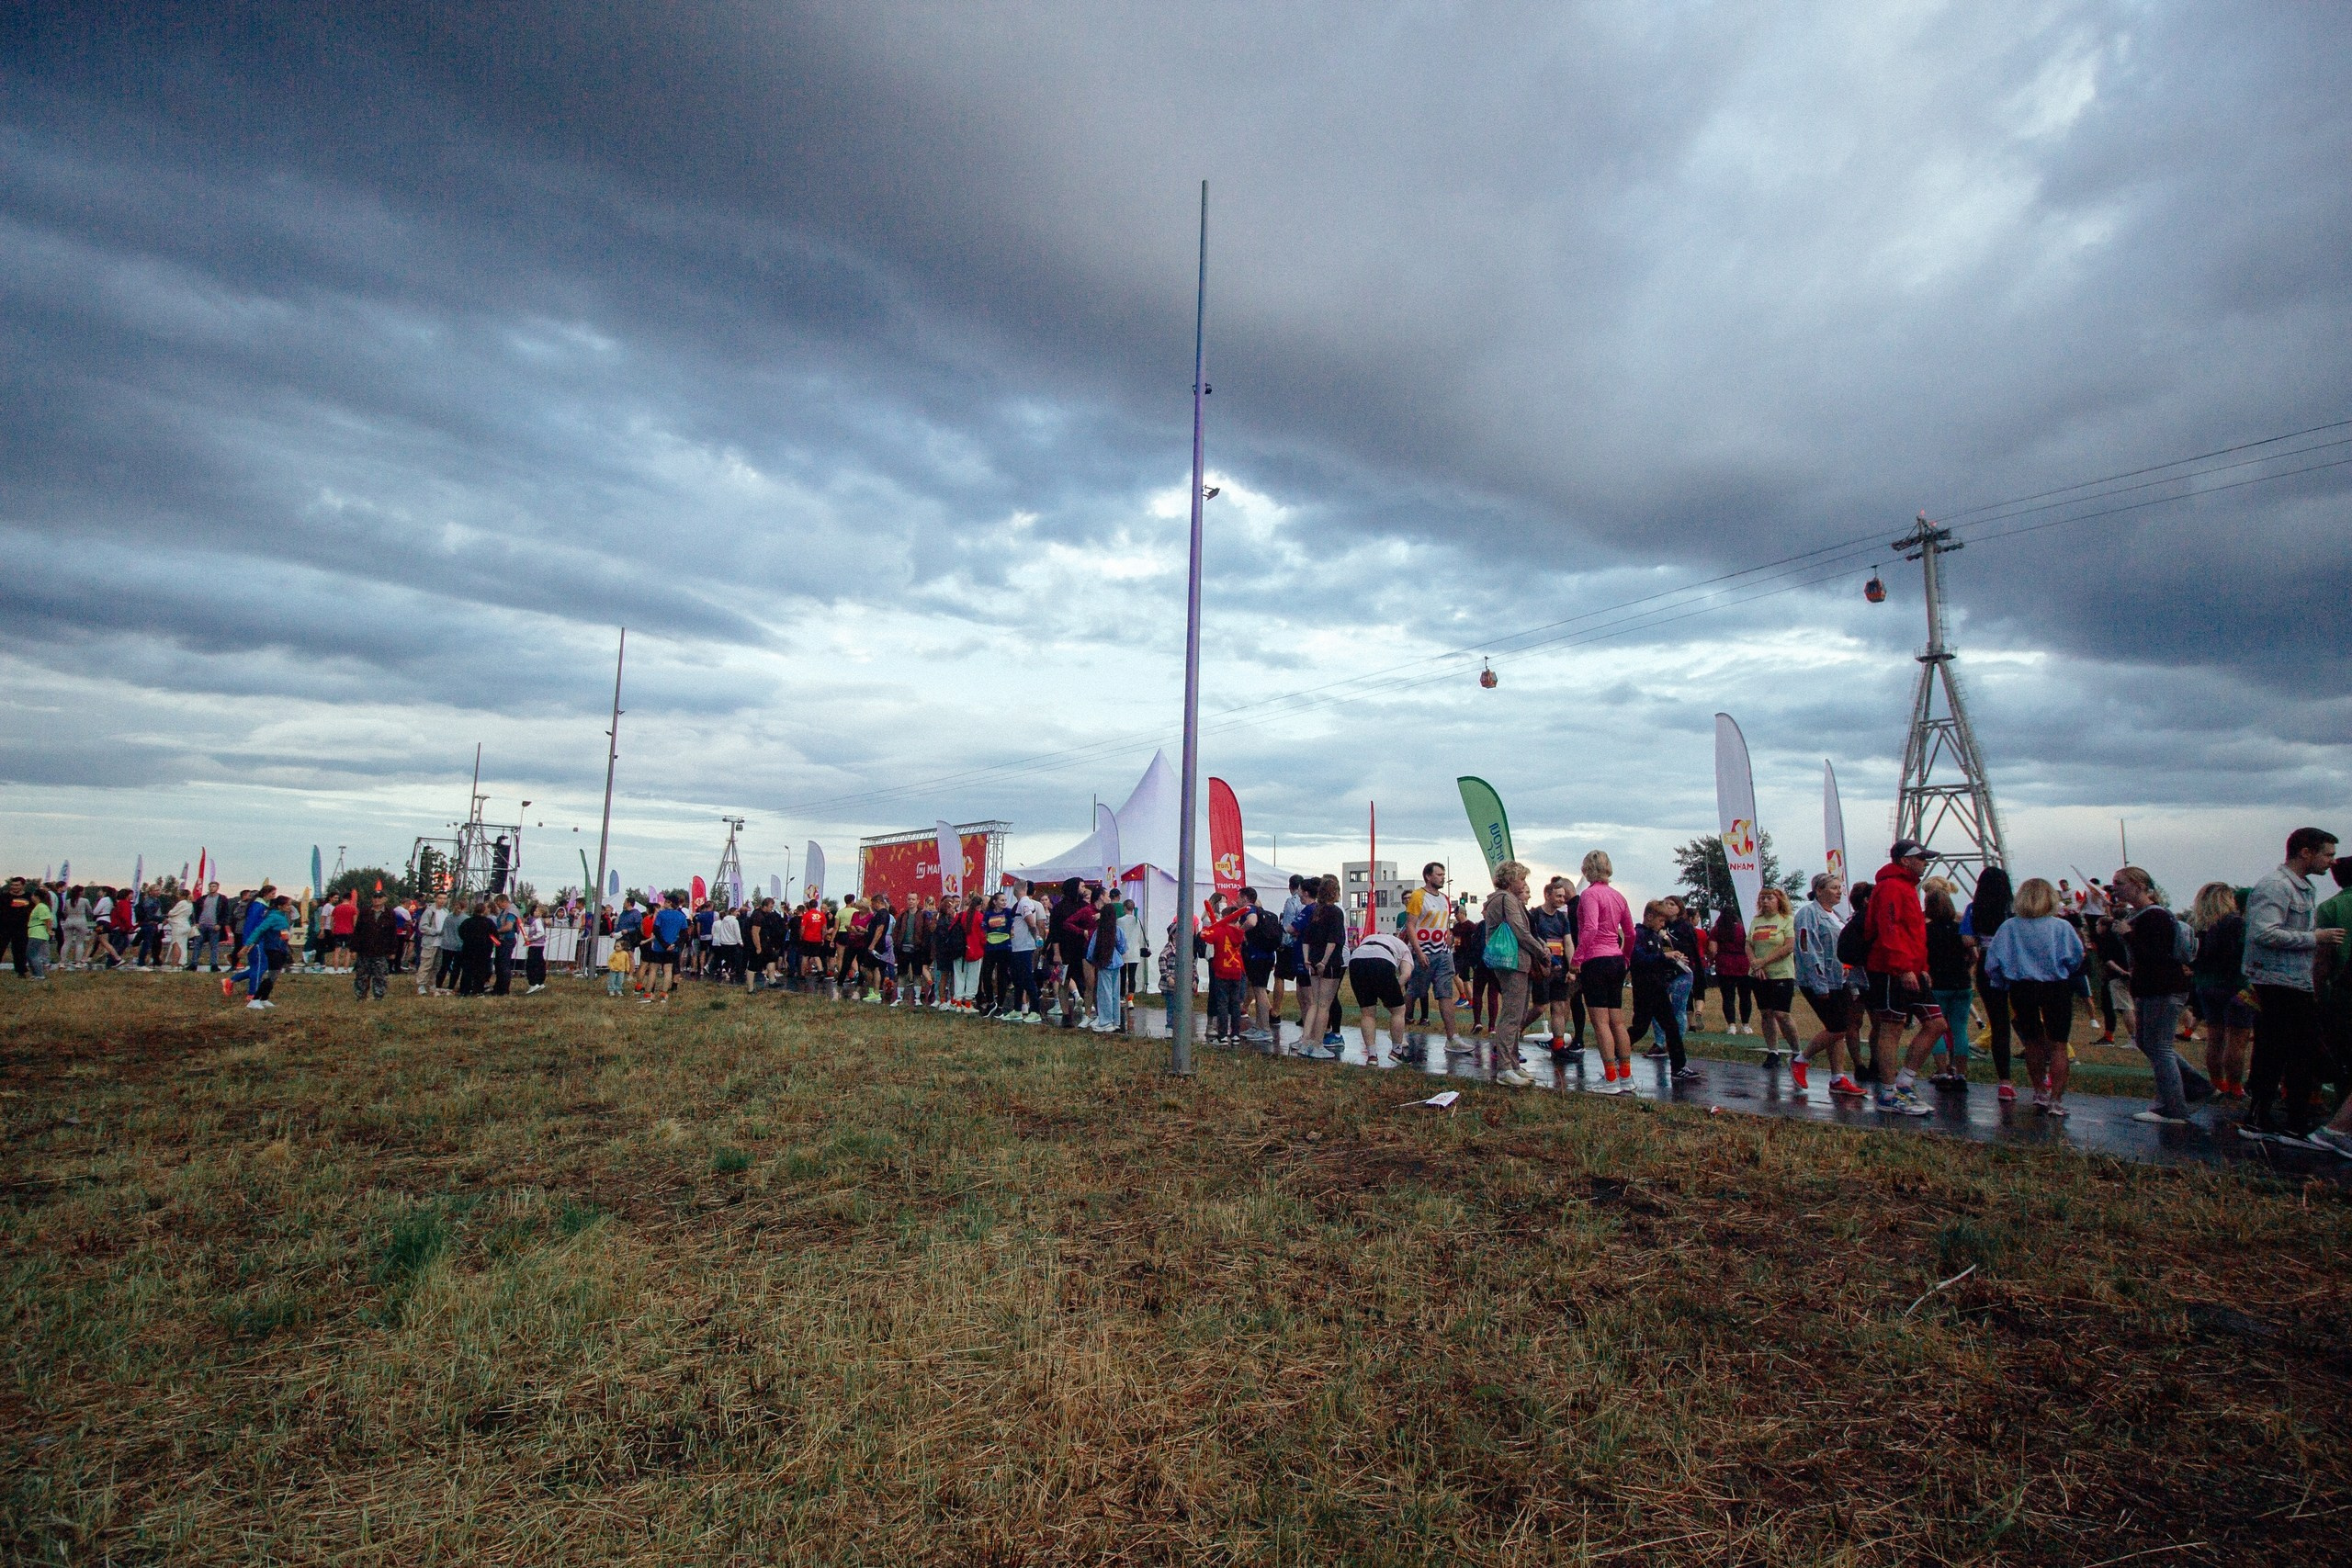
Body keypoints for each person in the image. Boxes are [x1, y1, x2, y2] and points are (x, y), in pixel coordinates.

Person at [2240, 828, 2343, 1144]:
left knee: (2285, 1050)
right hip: (2277, 980)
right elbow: (2263, 932)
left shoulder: (2302, 887)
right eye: (2327, 854)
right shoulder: (2277, 886)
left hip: (2291, 980)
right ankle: (2276, 1118)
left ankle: (2279, 1118)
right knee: (2294, 1049)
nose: (2332, 862)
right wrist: (2316, 938)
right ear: (2305, 852)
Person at [1983, 877, 2085, 1117]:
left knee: (2033, 1041)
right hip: (2055, 986)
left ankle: (2039, 1090)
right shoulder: (2061, 927)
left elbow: (1993, 961)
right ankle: (2056, 1100)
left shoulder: (2010, 927)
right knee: (2059, 1044)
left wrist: (2001, 981)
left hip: (2023, 987)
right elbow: (2076, 958)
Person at [1860, 840, 1945, 1117]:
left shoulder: (1908, 887)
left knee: (1936, 1023)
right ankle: (1887, 1093)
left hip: (1911, 968)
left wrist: (1921, 966)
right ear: (1905, 861)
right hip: (1889, 969)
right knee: (1891, 1027)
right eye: (1921, 858)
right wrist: (1903, 967)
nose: (1925, 863)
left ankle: (1904, 1083)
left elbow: (1913, 933)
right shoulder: (1891, 887)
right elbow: (1889, 929)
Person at [2107, 865, 2198, 1124]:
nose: (2115, 888)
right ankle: (2194, 1086)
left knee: (2159, 1046)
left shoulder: (2154, 916)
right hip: (2151, 987)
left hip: (2163, 987)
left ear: (2138, 884)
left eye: (2120, 882)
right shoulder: (2140, 915)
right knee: (2148, 1042)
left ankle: (2174, 1108)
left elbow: (2157, 955)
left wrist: (2129, 935)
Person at [1575, 851, 1636, 1091]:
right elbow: (1630, 933)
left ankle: (1610, 1077)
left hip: (1596, 960)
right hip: (1616, 959)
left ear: (1586, 870)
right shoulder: (1619, 896)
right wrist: (1627, 957)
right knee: (1617, 1021)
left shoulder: (1589, 895)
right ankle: (1626, 1075)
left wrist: (1577, 958)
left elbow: (1589, 928)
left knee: (1600, 1023)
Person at [1792, 874, 1859, 1095]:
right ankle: (1801, 1060)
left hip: (1839, 980)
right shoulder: (1808, 914)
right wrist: (1819, 984)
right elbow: (1807, 948)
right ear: (1819, 890)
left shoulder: (1836, 915)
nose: (1839, 891)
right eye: (1833, 888)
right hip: (1818, 981)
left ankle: (1837, 1077)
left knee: (1841, 1028)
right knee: (1837, 1027)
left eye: (1840, 888)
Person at [2188, 882, 2253, 1098]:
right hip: (2234, 985)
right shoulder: (2235, 923)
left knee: (2215, 1038)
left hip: (2206, 985)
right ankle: (2235, 1087)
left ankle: (2217, 1084)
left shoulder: (2198, 925)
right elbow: (2241, 954)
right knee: (2236, 1041)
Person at [1480, 860, 1539, 1088]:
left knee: (1518, 1012)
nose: (1524, 882)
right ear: (1510, 879)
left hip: (1517, 961)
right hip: (1513, 961)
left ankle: (1512, 1063)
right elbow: (1520, 930)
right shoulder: (1505, 899)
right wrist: (1540, 951)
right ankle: (1505, 1067)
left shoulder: (1505, 899)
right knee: (1512, 1014)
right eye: (1521, 878)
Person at [1629, 899, 1700, 1085]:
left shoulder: (1655, 935)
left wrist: (1672, 959)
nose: (1663, 925)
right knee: (1640, 1028)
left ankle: (1678, 1067)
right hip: (1645, 989)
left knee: (1672, 1027)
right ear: (1650, 917)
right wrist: (1663, 956)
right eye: (1661, 921)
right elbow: (1638, 960)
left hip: (1659, 988)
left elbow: (1656, 960)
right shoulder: (1639, 934)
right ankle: (1615, 1052)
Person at [1963, 868, 2017, 1101]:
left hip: (1987, 962)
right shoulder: (2014, 910)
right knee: (2028, 1020)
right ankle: (2043, 1076)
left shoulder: (1974, 909)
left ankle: (2005, 1081)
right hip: (2016, 964)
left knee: (1999, 1023)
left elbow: (1966, 938)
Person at [1399, 863, 1461, 1055]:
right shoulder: (1418, 896)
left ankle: (1453, 1037)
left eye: (1444, 874)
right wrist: (1418, 951)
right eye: (1439, 874)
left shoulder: (1444, 899)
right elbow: (1410, 925)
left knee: (1445, 993)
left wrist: (1449, 939)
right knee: (1414, 991)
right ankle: (1398, 1030)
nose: (1442, 878)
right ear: (1428, 876)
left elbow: (1445, 924)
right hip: (1424, 952)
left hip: (1443, 953)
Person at [1922, 886, 1974, 1088]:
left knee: (1936, 1029)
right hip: (1961, 983)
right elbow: (1973, 955)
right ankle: (1961, 1074)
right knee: (1960, 1029)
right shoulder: (1960, 929)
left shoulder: (1926, 932)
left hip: (1937, 984)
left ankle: (1942, 1071)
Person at [1348, 916, 1415, 1061]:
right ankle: (1397, 1051)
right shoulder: (1405, 948)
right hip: (1382, 961)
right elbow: (1406, 974)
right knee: (1398, 1010)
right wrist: (1391, 993)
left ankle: (1372, 1056)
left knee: (1367, 1013)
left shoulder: (1373, 936)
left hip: (1356, 961)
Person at [1529, 875, 1581, 1059]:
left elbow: (1568, 943)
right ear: (1547, 895)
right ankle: (1514, 1032)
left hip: (1559, 971)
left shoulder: (1562, 918)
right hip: (1542, 970)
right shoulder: (1534, 914)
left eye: (1563, 896)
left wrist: (1572, 967)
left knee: (1559, 1006)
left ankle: (1558, 1047)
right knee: (1540, 1007)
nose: (1562, 900)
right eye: (1558, 896)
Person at [1747, 886, 1798, 1068]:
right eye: (1762, 898)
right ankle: (1773, 1052)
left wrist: (1764, 962)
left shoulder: (1787, 920)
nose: (1765, 902)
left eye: (1769, 898)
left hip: (1781, 973)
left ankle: (1797, 1051)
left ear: (1779, 901)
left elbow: (1788, 946)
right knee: (1766, 1013)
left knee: (1782, 1014)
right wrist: (1755, 964)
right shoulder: (1756, 921)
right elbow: (1749, 944)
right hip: (1760, 975)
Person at [1301, 875, 1350, 1055]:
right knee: (1324, 1004)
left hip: (1312, 958)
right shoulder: (1335, 912)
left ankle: (1306, 1040)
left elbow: (1306, 938)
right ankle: (1318, 1044)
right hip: (1328, 962)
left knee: (1314, 1003)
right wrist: (1324, 961)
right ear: (1334, 893)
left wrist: (1308, 959)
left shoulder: (1315, 911)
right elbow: (1334, 940)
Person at [1238, 886, 1281, 1043]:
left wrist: (1240, 932)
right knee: (1257, 991)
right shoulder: (1262, 911)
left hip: (1258, 956)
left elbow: (1252, 922)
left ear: (1245, 898)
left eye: (1238, 897)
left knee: (1260, 991)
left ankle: (1265, 1029)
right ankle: (1259, 1025)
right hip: (1267, 955)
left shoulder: (1249, 908)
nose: (1236, 901)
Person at [1710, 906, 1753, 1036]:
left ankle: (1731, 1026)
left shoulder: (1716, 930)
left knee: (1728, 997)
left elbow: (1712, 950)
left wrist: (1712, 960)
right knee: (1745, 996)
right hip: (1743, 963)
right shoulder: (1743, 928)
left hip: (1724, 964)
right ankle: (1746, 1025)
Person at [352, 891, 401, 1000]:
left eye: (379, 897)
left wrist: (393, 951)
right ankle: (361, 996)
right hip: (365, 950)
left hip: (381, 951)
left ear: (385, 899)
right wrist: (354, 949)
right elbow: (357, 931)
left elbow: (393, 933)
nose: (377, 900)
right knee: (362, 976)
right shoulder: (365, 912)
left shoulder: (390, 913)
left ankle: (379, 996)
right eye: (375, 897)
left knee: (380, 976)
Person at [1090, 891, 1127, 1032]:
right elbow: (1123, 948)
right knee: (1115, 993)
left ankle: (1106, 1022)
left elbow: (1091, 949)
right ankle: (1116, 1020)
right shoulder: (1118, 931)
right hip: (1116, 963)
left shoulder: (1099, 931)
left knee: (1104, 992)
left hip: (1103, 963)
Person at [457, 900, 497, 997]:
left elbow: (461, 933)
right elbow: (495, 935)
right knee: (481, 970)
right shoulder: (489, 922)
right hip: (484, 950)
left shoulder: (467, 922)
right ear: (484, 911)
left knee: (467, 970)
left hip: (468, 949)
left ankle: (464, 991)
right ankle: (478, 991)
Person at [433, 893, 467, 993]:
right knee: (456, 968)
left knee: (444, 966)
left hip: (446, 944)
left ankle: (438, 986)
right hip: (459, 945)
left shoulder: (448, 916)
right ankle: (450, 987)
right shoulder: (465, 918)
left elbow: (443, 930)